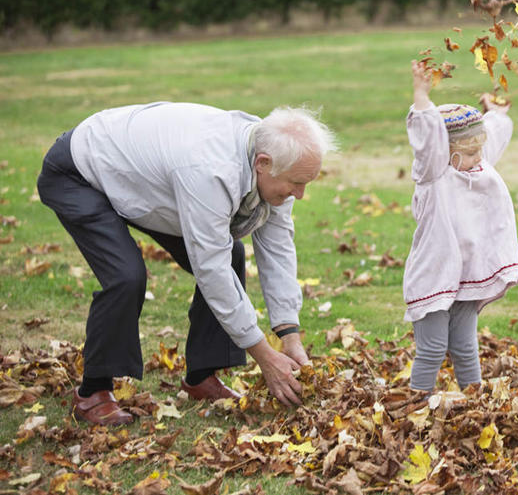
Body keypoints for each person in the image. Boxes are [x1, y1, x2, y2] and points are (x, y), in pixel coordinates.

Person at [37, 101, 337, 426]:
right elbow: (211, 268)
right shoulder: (210, 170)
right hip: (78, 172)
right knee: (126, 275)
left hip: (143, 178)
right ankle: (93, 391)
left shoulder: (276, 158)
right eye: (296, 184)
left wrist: (289, 335)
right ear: (263, 163)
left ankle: (200, 378)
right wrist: (265, 356)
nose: (301, 194)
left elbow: (277, 250)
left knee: (231, 253)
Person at [403, 60, 518, 394]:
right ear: (446, 150)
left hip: (469, 275)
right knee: (433, 349)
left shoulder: (477, 165)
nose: (477, 159)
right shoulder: (434, 175)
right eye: (467, 153)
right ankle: (416, 405)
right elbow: (427, 140)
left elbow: (493, 136)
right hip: (435, 274)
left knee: (466, 348)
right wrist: (421, 95)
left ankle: (478, 402)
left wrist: (496, 113)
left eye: (477, 151)